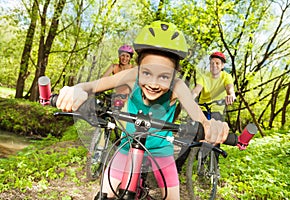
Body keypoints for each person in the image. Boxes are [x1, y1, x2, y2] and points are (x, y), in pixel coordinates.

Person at [56, 21, 230, 200]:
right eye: (147, 73)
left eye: (163, 76)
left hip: (161, 150)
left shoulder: (178, 86)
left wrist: (210, 126)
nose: (153, 83)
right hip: (127, 146)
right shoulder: (132, 75)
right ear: (139, 68)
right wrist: (76, 89)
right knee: (103, 194)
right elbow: (92, 85)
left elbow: (198, 115)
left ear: (174, 75)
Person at [176, 51, 236, 172]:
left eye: (218, 63)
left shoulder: (226, 76)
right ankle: (177, 166)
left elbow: (230, 88)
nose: (215, 65)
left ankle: (214, 167)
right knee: (191, 134)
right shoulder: (204, 77)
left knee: (216, 135)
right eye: (212, 63)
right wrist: (190, 98)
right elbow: (196, 90)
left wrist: (231, 95)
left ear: (222, 65)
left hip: (217, 110)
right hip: (202, 110)